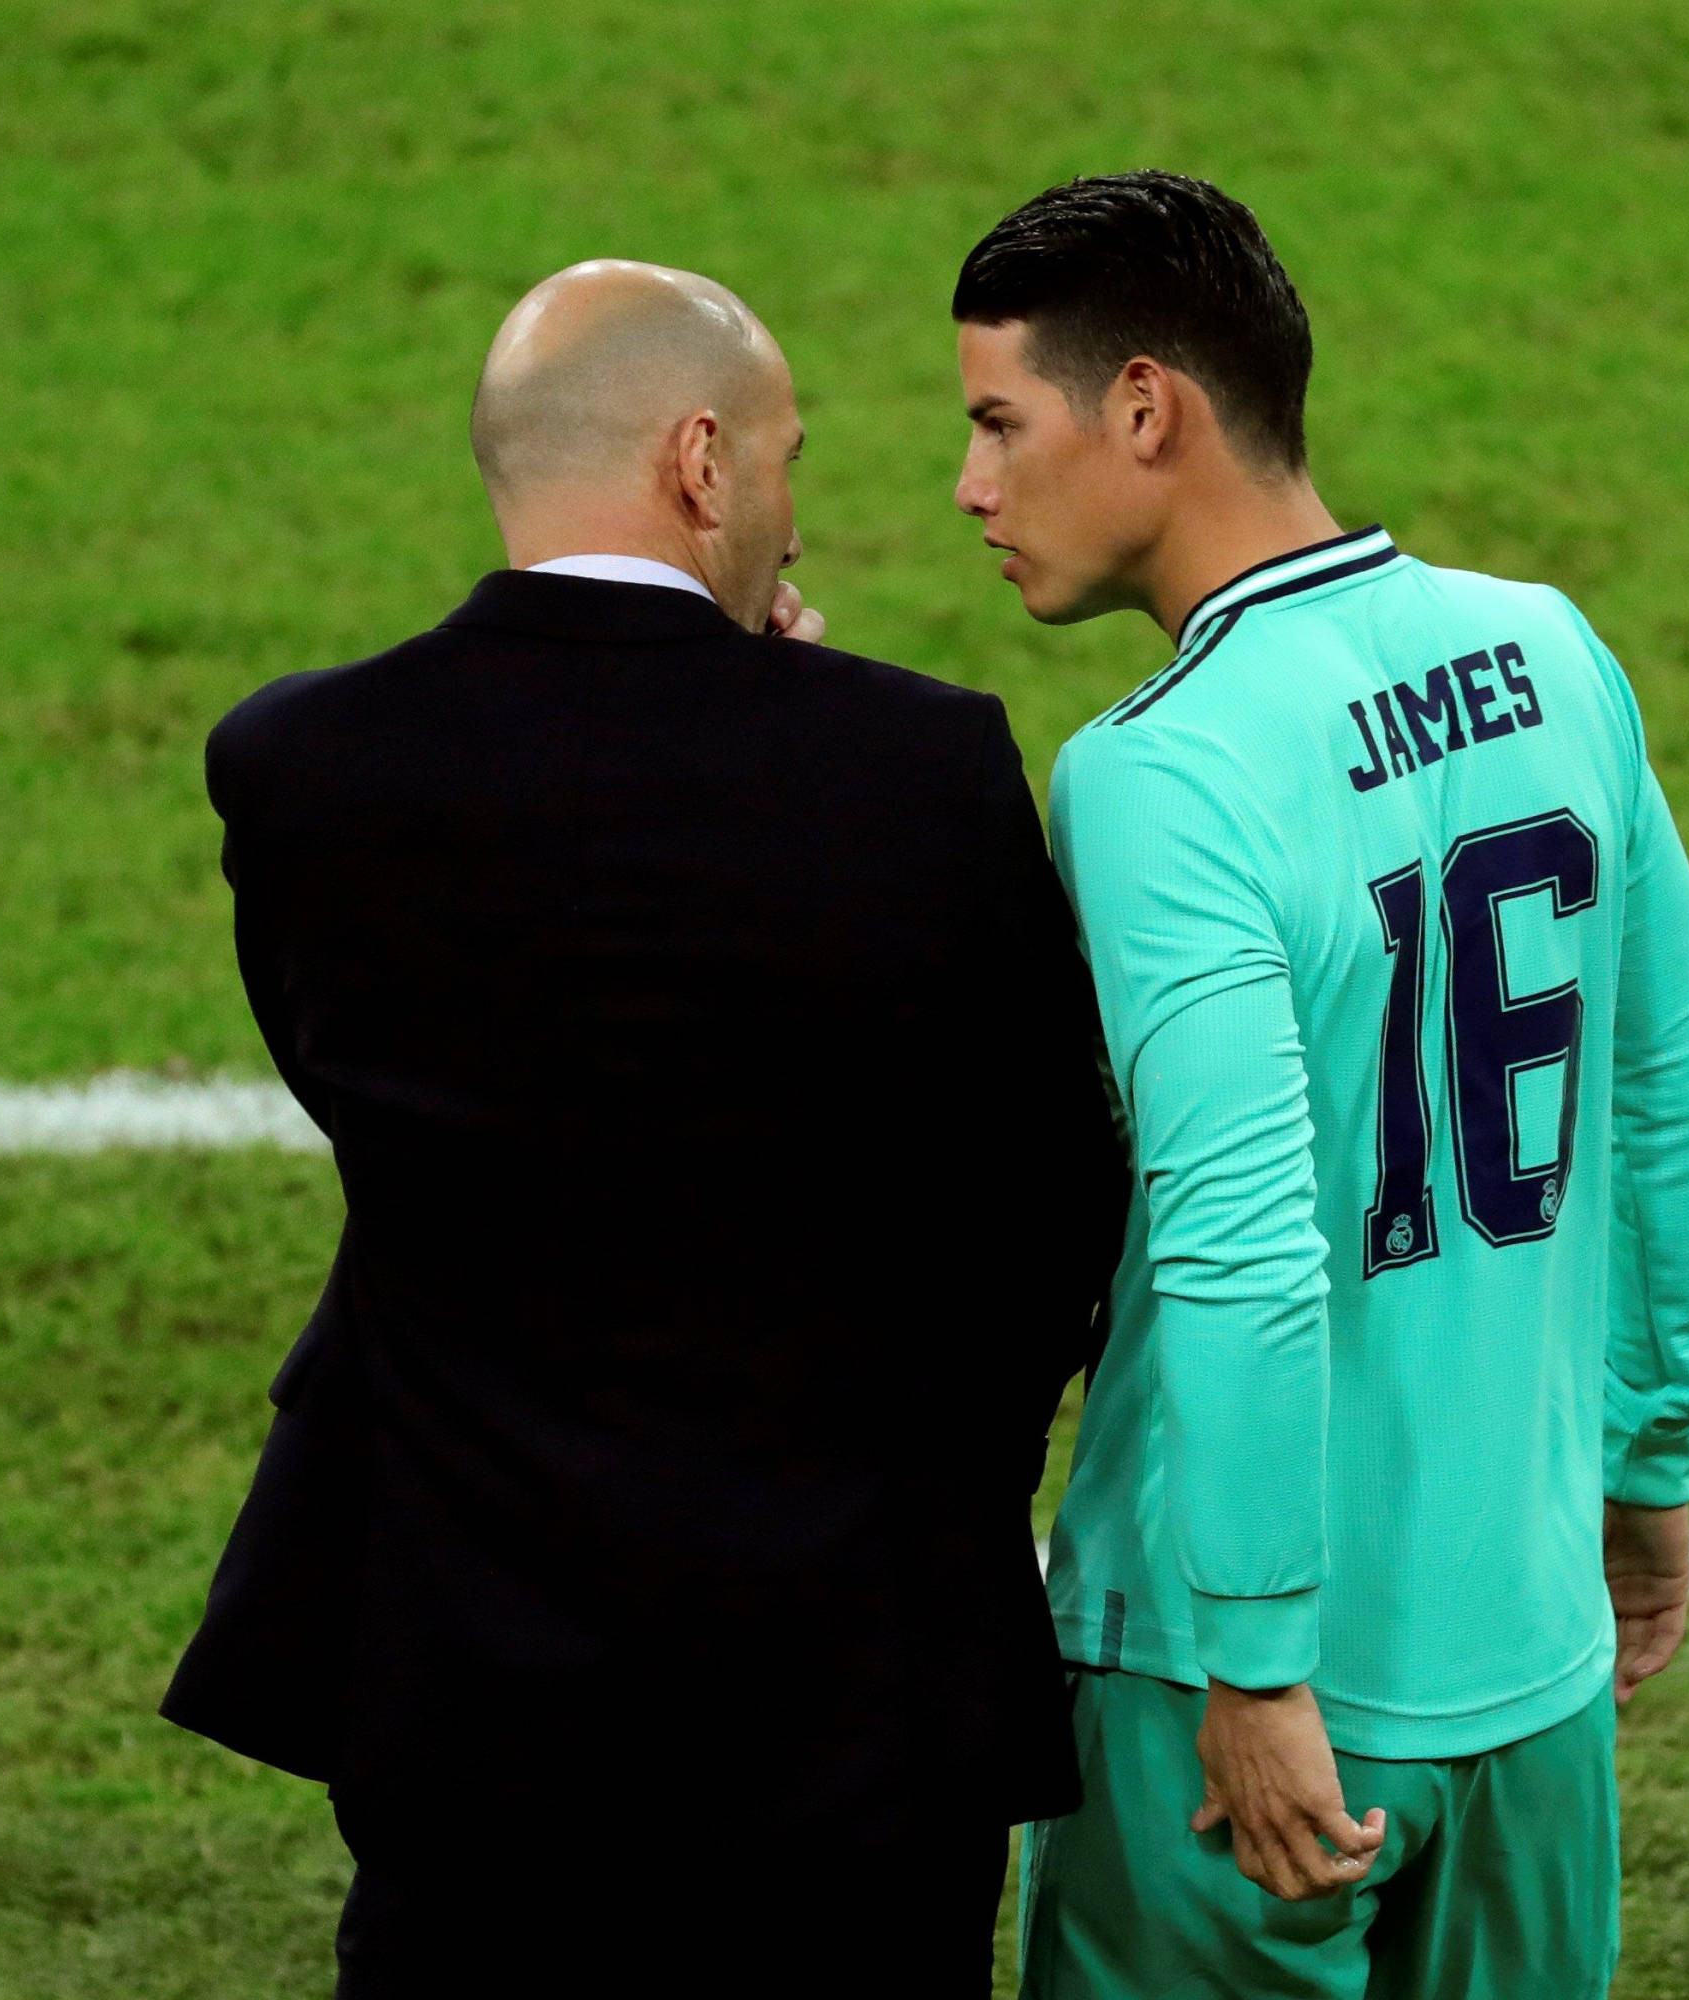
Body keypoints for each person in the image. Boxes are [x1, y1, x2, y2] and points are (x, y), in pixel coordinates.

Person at [160, 259, 1123, 1995]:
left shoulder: (298, 766)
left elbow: (357, 1088)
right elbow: (1056, 1194)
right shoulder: (916, 765)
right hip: (851, 1688)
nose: (793, 517)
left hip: (462, 1681)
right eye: (787, 462)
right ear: (701, 463)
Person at [949, 174, 1689, 1997]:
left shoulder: (1162, 771)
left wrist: (1252, 1660)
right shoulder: (1553, 647)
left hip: (1241, 1720)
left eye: (1000, 422)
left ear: (1146, 409)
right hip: (1533, 1672)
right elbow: (1671, 1099)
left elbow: (1241, 1249)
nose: (973, 489)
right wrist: (1650, 1459)